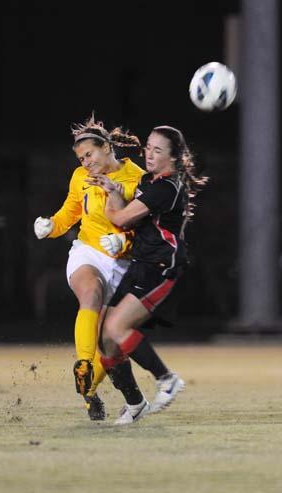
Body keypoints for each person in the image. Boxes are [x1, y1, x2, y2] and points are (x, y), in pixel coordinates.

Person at [86, 125, 208, 425]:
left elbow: (119, 218)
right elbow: (125, 221)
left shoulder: (166, 188)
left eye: (157, 150)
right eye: (148, 147)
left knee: (116, 328)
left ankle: (167, 379)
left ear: (173, 157)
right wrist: (114, 191)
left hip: (160, 266)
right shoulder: (147, 180)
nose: (149, 154)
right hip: (141, 263)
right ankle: (135, 402)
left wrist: (110, 200)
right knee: (105, 340)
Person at [33, 115, 145, 420]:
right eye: (81, 158)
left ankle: (89, 391)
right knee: (91, 294)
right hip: (88, 253)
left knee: (108, 341)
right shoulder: (79, 177)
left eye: (89, 155)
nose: (85, 162)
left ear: (107, 147)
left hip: (123, 264)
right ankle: (82, 363)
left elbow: (146, 231)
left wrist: (122, 243)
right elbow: (70, 212)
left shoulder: (137, 179)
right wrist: (51, 226)